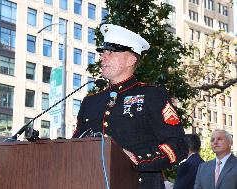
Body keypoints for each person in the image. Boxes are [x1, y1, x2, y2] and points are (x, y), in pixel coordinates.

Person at [72, 24, 188, 189]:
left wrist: (136, 158)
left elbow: (178, 145)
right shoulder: (90, 102)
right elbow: (77, 145)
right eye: (102, 53)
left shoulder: (152, 95)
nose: (103, 57)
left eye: (110, 52)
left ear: (131, 59)